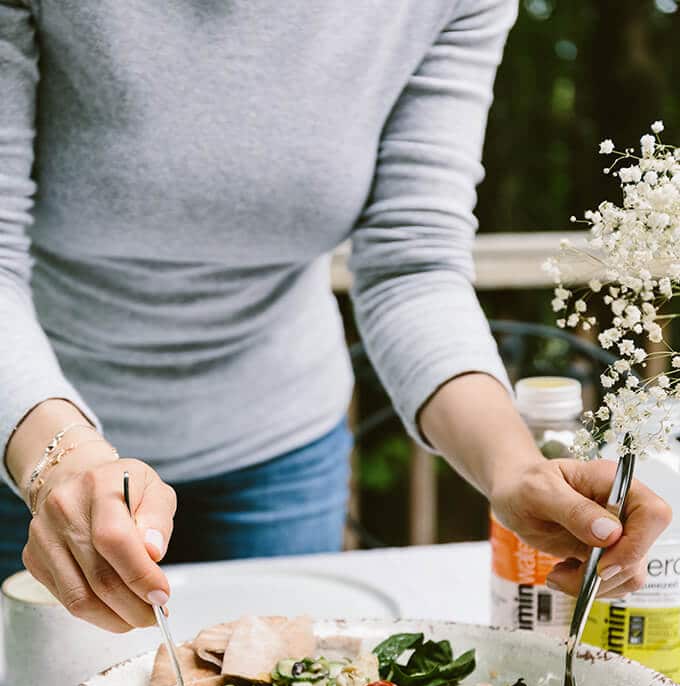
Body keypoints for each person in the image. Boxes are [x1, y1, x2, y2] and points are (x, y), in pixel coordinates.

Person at [0, 0, 671, 634]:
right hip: (31, 444)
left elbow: (413, 265)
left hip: (282, 461)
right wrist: (61, 461)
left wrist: (514, 467)